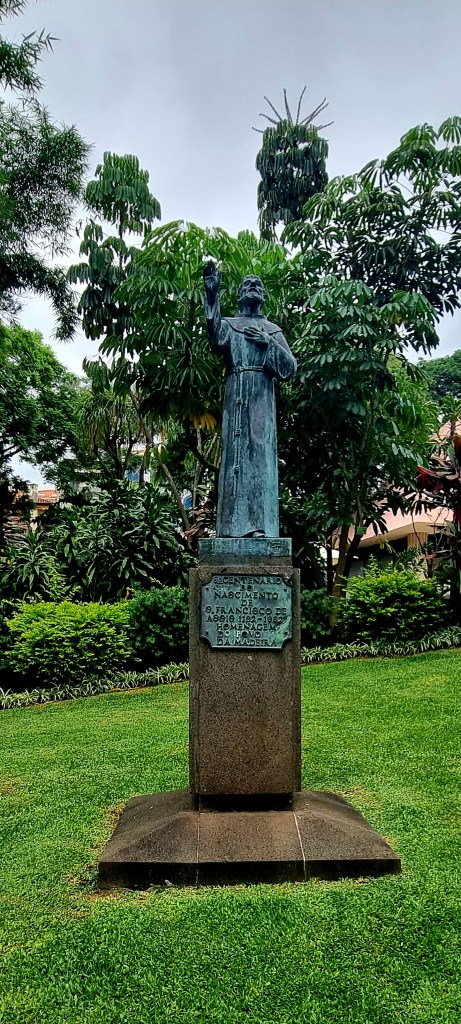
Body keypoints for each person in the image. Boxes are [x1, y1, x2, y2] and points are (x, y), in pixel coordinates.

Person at [203, 264, 296, 538]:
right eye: (247, 284)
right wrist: (212, 294)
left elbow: (289, 368)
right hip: (235, 394)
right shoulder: (231, 325)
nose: (253, 286)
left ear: (263, 296)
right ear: (240, 295)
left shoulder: (272, 330)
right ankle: (230, 528)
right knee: (234, 458)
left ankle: (260, 526)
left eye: (257, 284)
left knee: (259, 457)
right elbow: (215, 337)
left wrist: (268, 342)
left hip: (261, 398)